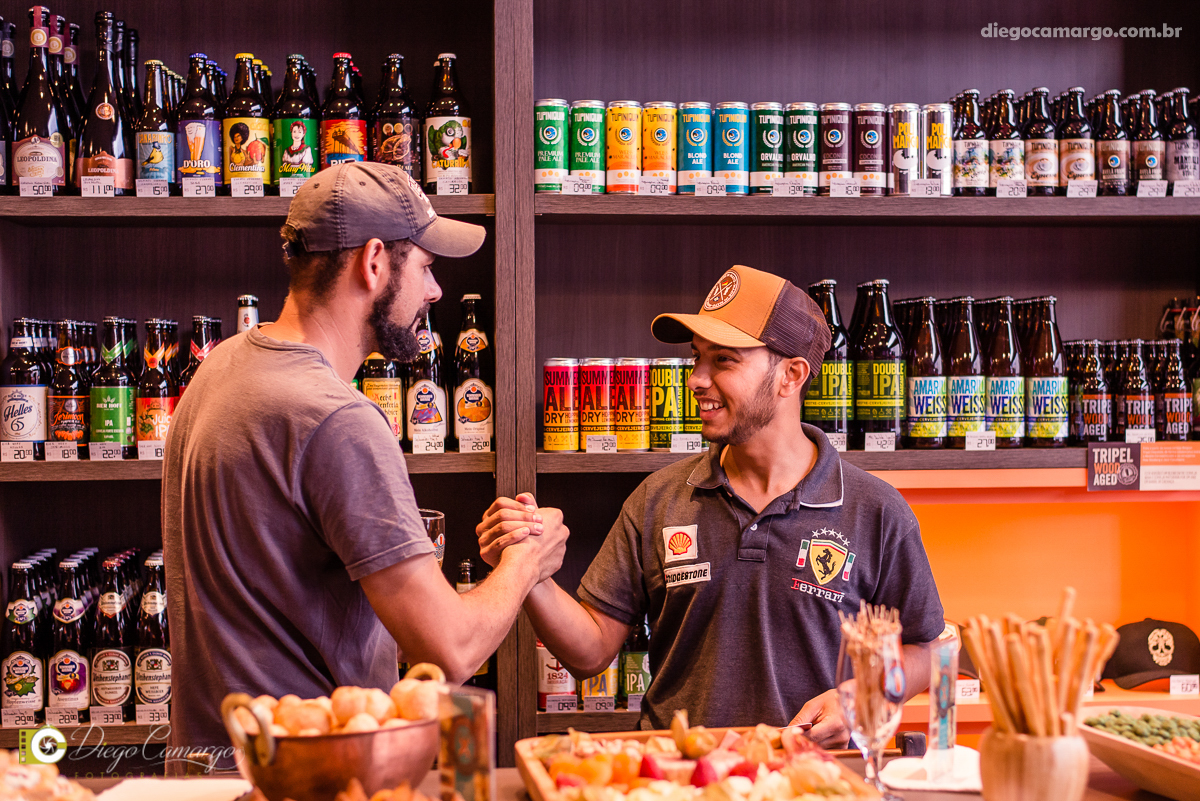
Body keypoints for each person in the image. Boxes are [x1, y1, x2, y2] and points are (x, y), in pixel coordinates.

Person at [162, 162, 568, 761]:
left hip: (208, 768)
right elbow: (450, 651)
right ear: (374, 261)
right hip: (306, 775)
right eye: (427, 267)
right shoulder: (336, 418)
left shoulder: (220, 367)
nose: (435, 292)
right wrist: (526, 560)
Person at [478, 265, 945, 746]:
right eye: (697, 357)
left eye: (723, 360)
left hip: (813, 781)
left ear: (791, 375)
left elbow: (928, 650)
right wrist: (528, 568)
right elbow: (591, 651)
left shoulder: (876, 510)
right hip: (679, 779)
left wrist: (863, 694)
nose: (696, 379)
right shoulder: (658, 498)